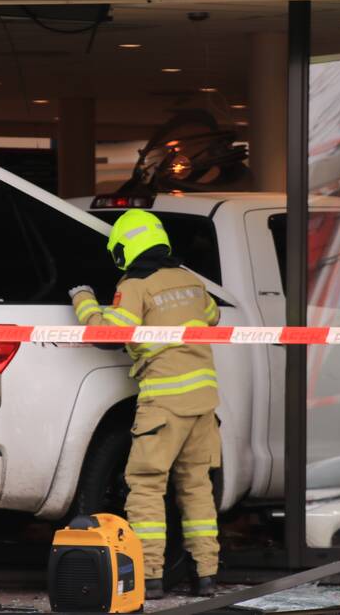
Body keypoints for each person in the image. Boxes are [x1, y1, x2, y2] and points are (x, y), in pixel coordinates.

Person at [69, 209, 221, 600]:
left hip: (164, 402)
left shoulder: (135, 285)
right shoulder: (190, 280)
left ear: (125, 248)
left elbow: (107, 333)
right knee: (196, 487)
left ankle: (150, 577)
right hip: (204, 402)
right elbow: (213, 316)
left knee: (147, 486)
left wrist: (83, 298)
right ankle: (206, 576)